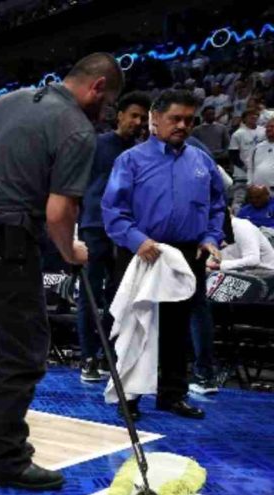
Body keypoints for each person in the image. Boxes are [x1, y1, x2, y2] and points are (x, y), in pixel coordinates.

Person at [0, 54, 123, 490]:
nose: (103, 114)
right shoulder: (77, 129)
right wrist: (71, 252)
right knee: (24, 354)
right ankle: (5, 458)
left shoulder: (10, 99)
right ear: (98, 87)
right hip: (8, 245)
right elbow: (59, 212)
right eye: (108, 105)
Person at [103, 89, 226, 421]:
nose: (183, 125)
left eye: (189, 119)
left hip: (186, 254)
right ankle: (128, 396)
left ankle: (173, 394)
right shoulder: (130, 160)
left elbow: (217, 205)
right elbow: (113, 210)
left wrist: (211, 237)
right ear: (154, 119)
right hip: (141, 251)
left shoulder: (202, 161)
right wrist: (136, 239)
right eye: (175, 118)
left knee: (177, 328)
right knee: (135, 325)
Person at [76, 90, 151, 382]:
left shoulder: (143, 152)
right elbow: (77, 186)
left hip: (127, 231)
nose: (138, 122)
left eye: (143, 118)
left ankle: (109, 354)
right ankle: (88, 358)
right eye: (133, 115)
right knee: (90, 295)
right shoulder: (96, 145)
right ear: (119, 115)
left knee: (121, 296)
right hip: (94, 226)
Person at [210, 216, 274, 272]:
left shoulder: (243, 227)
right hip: (244, 273)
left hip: (266, 274)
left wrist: (220, 265)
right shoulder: (216, 231)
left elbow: (253, 260)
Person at [230, 109, 265, 183]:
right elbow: (233, 155)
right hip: (242, 173)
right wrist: (245, 168)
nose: (253, 116)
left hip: (260, 171)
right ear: (244, 119)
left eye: (256, 115)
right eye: (250, 115)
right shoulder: (238, 134)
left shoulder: (264, 131)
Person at [246, 120, 274, 191]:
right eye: (267, 127)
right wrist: (250, 184)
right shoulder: (257, 147)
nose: (268, 129)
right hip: (258, 191)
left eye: (272, 127)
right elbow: (250, 167)